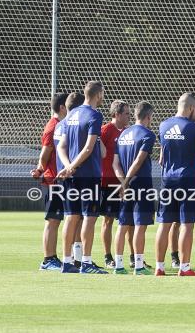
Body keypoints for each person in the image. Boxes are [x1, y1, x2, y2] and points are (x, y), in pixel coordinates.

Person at [57, 81, 106, 274]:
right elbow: (88, 147)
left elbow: (62, 146)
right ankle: (86, 262)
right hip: (88, 174)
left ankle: (67, 262)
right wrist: (73, 166)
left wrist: (68, 166)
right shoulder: (95, 115)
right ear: (98, 94)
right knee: (89, 217)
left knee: (70, 217)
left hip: (72, 175)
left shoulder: (71, 116)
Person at [155, 92, 195, 277]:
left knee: (164, 224)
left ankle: (160, 267)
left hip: (167, 180)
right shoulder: (194, 128)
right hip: (188, 179)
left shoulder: (163, 125)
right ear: (190, 108)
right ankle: (184, 267)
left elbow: (161, 158)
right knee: (187, 224)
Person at [112, 101, 156, 275]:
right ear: (147, 116)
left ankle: (119, 265)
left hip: (125, 185)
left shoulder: (122, 134)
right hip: (140, 184)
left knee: (122, 225)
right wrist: (127, 182)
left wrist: (123, 182)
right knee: (139, 225)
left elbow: (115, 163)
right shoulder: (148, 135)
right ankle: (138, 265)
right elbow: (138, 161)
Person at [31, 92, 69, 270]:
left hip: (57, 180)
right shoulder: (53, 126)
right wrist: (39, 169)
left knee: (57, 219)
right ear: (62, 107)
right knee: (52, 220)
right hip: (52, 180)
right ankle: (47, 260)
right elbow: (44, 154)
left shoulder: (60, 125)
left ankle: (53, 258)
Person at [100, 100, 131, 268]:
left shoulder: (128, 132)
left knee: (128, 221)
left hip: (125, 183)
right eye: (126, 113)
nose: (129, 116)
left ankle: (134, 257)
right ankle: (107, 256)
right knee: (108, 220)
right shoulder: (105, 130)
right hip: (109, 182)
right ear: (117, 114)